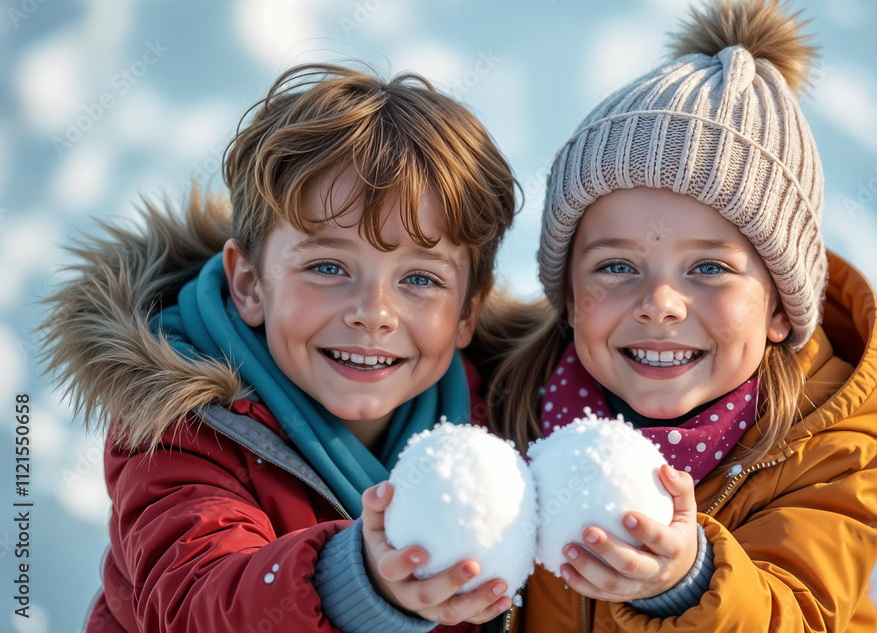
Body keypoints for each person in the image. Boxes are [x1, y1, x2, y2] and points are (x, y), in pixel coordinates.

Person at [489, 0, 877, 632]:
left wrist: (688, 585)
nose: (660, 304)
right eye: (617, 267)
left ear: (780, 308)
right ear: (570, 300)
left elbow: (802, 616)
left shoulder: (827, 453)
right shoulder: (511, 391)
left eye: (710, 269)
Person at [37, 62, 522, 632]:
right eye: (327, 266)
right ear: (249, 284)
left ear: (467, 309)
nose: (374, 314)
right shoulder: (183, 430)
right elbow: (199, 604)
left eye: (420, 279)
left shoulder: (509, 418)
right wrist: (356, 582)